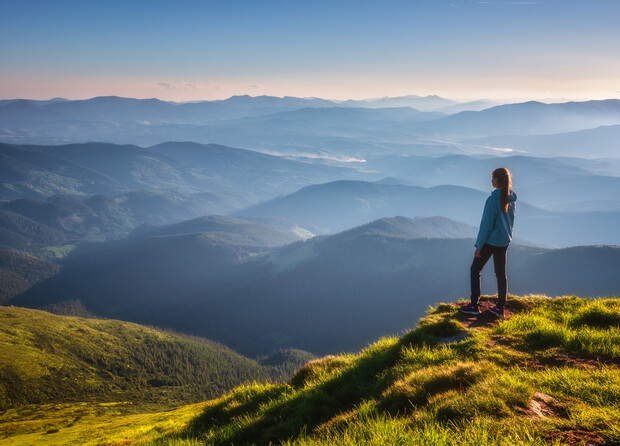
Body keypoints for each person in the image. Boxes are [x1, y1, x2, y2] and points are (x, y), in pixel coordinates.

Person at [461, 167, 517, 318]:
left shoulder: (493, 200)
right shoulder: (510, 198)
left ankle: (474, 305)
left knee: (475, 270)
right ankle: (500, 308)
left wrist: (479, 246)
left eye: (492, 178)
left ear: (497, 180)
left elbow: (486, 226)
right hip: (504, 240)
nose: (491, 181)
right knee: (501, 274)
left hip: (491, 241)